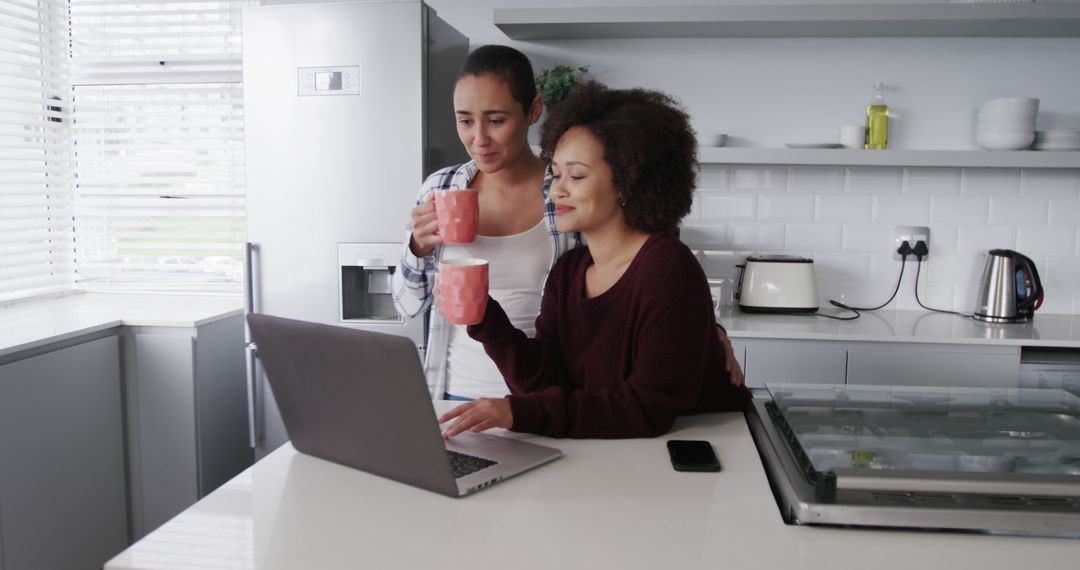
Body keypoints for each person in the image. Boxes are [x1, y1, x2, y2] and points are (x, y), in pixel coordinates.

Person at [392, 45, 743, 402]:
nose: (479, 139)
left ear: (534, 110)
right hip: (457, 390)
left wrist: (702, 331)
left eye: (496, 120)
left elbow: (649, 272)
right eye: (465, 120)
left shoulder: (572, 189)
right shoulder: (440, 189)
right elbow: (407, 306)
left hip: (552, 396)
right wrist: (417, 250)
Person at [438, 82, 752, 439]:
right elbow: (548, 381)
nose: (557, 190)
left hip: (710, 452)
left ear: (626, 182)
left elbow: (648, 407)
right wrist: (484, 318)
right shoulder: (569, 272)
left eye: (577, 175)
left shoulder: (667, 268)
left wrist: (516, 413)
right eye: (555, 174)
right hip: (625, 455)